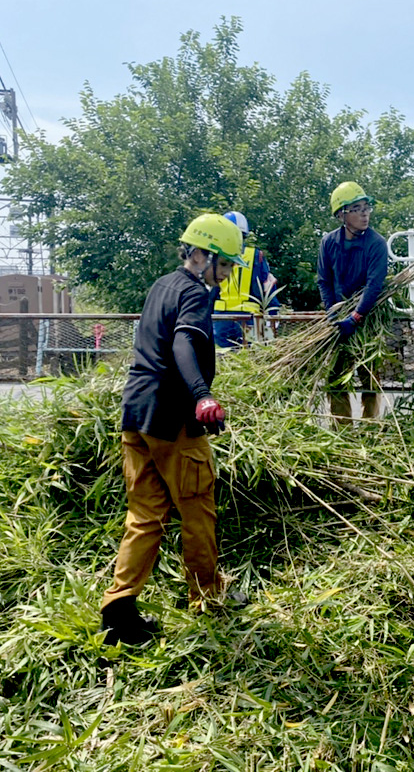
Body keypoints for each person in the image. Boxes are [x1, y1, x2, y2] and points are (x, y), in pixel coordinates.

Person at [100, 213, 248, 645]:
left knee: (145, 515)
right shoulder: (193, 293)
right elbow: (184, 341)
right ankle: (207, 595)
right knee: (197, 506)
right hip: (172, 419)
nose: (226, 275)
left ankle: (119, 610)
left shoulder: (160, 285)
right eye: (224, 265)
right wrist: (202, 394)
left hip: (136, 412)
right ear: (204, 257)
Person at [317, 181, 388, 424]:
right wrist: (331, 313)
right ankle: (344, 432)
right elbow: (324, 280)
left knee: (369, 377)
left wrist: (357, 316)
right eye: (357, 208)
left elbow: (374, 285)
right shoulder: (328, 243)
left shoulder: (376, 244)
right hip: (340, 321)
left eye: (367, 207)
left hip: (367, 319)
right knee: (336, 379)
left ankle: (370, 429)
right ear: (341, 214)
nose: (365, 213)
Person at [213, 211, 280, 348]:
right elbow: (268, 289)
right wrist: (271, 321)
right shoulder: (256, 256)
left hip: (220, 320)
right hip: (249, 320)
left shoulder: (214, 256)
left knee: (221, 362)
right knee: (252, 360)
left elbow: (207, 292)